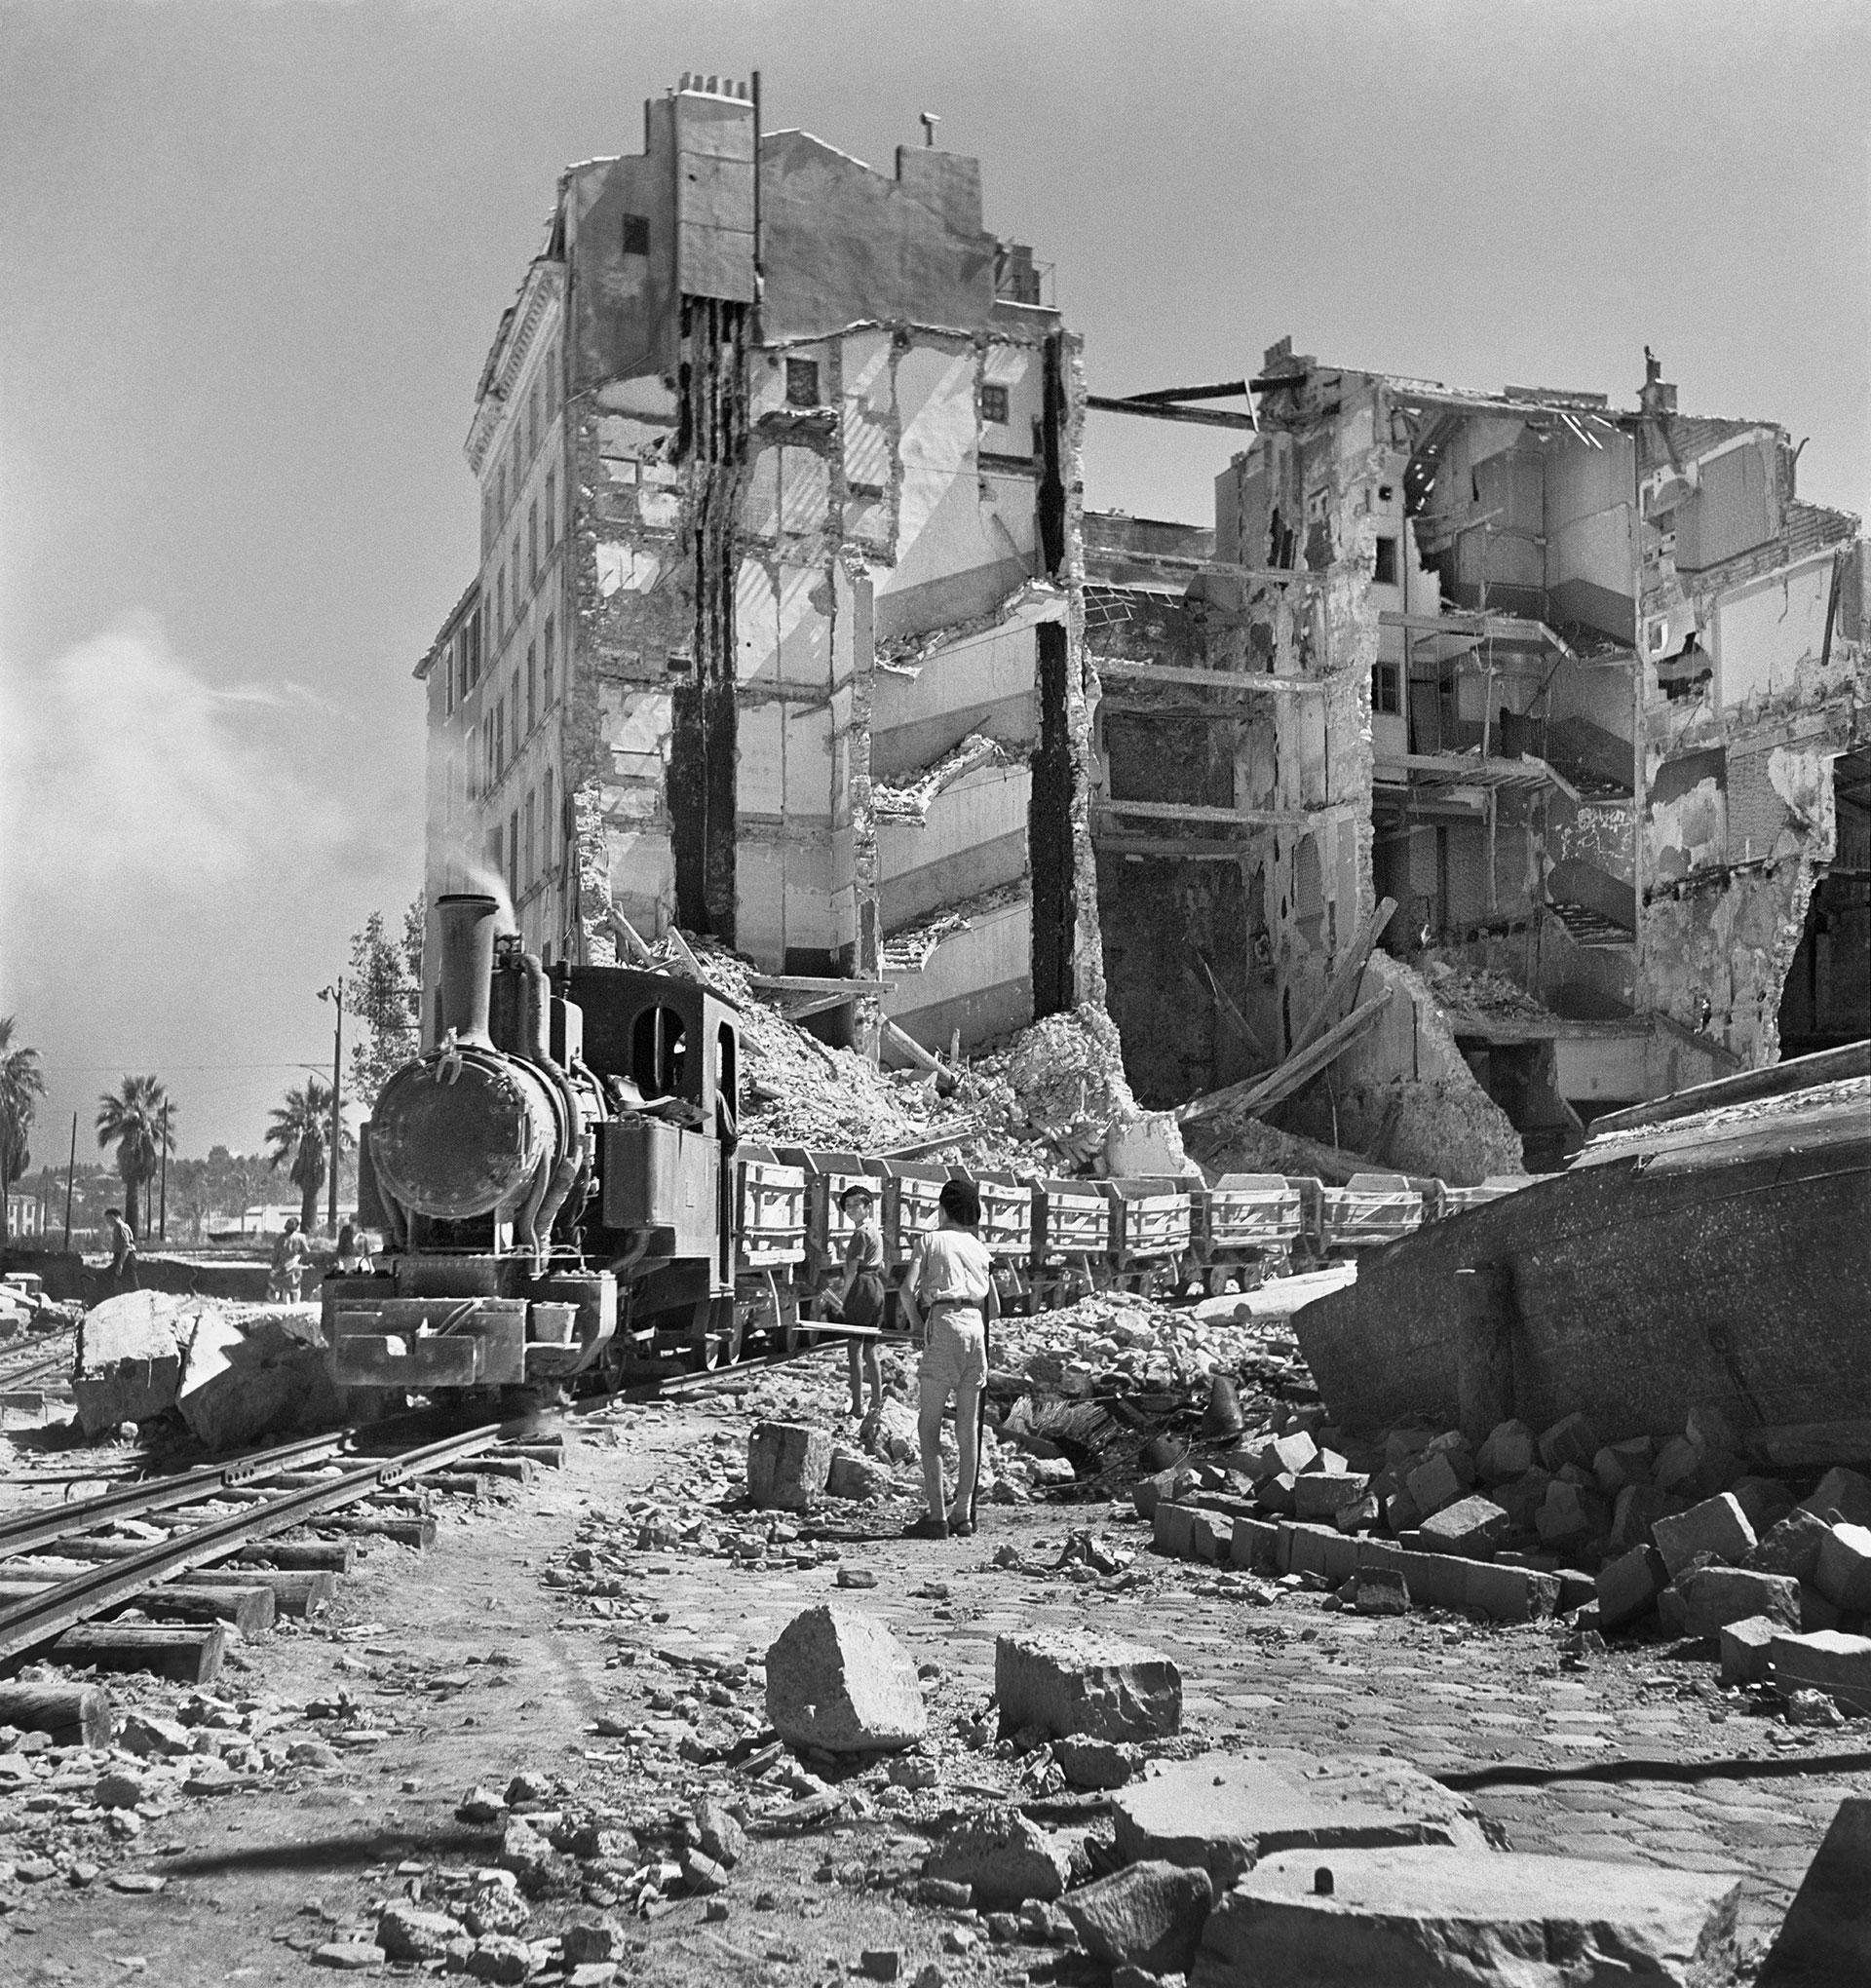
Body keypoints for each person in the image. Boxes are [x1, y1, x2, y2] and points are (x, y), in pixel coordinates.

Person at [897, 1178, 997, 1542]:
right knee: (967, 1428)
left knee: (929, 1425)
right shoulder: (979, 1249)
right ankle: (963, 1512)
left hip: (945, 1323)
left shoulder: (929, 1240)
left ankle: (936, 1516)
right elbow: (995, 1308)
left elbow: (907, 1290)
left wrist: (916, 1324)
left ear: (941, 1209)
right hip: (976, 1328)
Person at [835, 1184, 887, 1421]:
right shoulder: (875, 1231)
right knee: (870, 1350)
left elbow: (851, 1271)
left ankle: (857, 1406)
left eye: (857, 1204)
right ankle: (876, 1403)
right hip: (877, 1287)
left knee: (853, 1348)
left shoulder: (859, 1234)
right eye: (848, 1206)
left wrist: (841, 1299)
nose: (852, 1209)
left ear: (868, 1207)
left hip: (863, 1287)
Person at [269, 1216, 310, 1301]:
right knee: (296, 1289)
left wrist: (273, 1266)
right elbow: (307, 1251)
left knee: (285, 1289)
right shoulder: (301, 1237)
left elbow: (275, 1254)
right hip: (296, 1265)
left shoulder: (281, 1238)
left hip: (283, 1267)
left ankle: (286, 1308)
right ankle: (296, 1307)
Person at [104, 1207, 138, 1293]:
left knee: (132, 1285)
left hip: (126, 1258)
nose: (108, 1222)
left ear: (113, 1217)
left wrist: (120, 1264)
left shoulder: (121, 1227)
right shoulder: (117, 1227)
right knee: (124, 1283)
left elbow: (126, 1247)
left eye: (108, 1219)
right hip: (121, 1257)